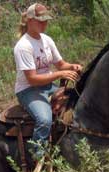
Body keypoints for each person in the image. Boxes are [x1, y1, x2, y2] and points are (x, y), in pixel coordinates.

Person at [13, 3, 83, 159]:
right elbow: (32, 79)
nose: (45, 24)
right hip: (28, 90)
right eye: (40, 20)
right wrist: (60, 74)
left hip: (47, 85)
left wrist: (72, 66)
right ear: (30, 20)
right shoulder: (23, 46)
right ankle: (36, 158)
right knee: (44, 119)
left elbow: (61, 64)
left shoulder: (46, 40)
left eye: (46, 20)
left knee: (77, 102)